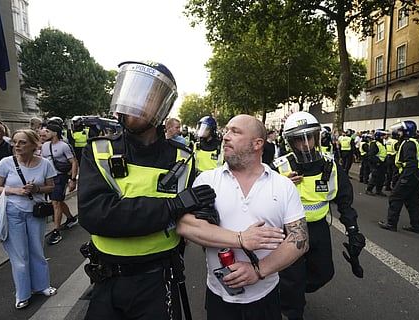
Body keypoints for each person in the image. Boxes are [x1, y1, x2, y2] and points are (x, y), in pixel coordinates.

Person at [77, 60, 217, 320]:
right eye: (131, 92)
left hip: (159, 278)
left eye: (146, 97)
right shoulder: (98, 151)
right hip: (107, 281)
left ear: (161, 108)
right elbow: (95, 214)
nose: (134, 103)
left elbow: (195, 213)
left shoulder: (183, 158)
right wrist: (172, 207)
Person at [176, 114, 308, 320]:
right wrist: (240, 238)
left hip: (266, 297)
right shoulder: (206, 180)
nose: (226, 136)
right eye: (226, 130)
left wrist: (258, 270)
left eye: (235, 132)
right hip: (219, 297)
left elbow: (299, 239)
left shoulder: (283, 186)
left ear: (258, 144)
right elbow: (185, 226)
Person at [272, 112, 365, 320]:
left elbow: (344, 199)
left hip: (319, 228)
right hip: (289, 230)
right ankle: (292, 308)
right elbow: (262, 197)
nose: (305, 144)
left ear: (316, 137)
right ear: (290, 142)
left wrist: (353, 231)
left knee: (324, 273)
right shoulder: (278, 168)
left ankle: (285, 291)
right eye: (299, 139)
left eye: (309, 137)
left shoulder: (330, 165)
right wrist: (281, 184)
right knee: (293, 280)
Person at [0, 129, 57, 309]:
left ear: (34, 144)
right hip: (12, 212)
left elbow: (51, 187)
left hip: (35, 212)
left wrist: (36, 189)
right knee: (19, 255)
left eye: (22, 142)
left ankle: (42, 286)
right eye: (15, 142)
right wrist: (16, 191)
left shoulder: (45, 164)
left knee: (37, 250)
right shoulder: (6, 163)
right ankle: (22, 293)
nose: (17, 146)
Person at [379, 120, 419, 234]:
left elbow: (411, 163)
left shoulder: (408, 143)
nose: (398, 133)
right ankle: (416, 226)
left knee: (395, 197)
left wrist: (404, 178)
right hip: (415, 175)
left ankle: (391, 223)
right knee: (412, 201)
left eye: (400, 131)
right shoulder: (412, 142)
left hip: (409, 174)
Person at [41, 122, 79, 244]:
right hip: (48, 178)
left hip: (60, 177)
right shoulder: (44, 146)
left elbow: (74, 162)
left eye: (47, 131)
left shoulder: (64, 146)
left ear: (55, 133)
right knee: (58, 201)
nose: (44, 133)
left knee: (56, 202)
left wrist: (72, 180)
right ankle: (71, 218)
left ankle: (56, 231)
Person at [365, 129, 388, 196]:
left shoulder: (381, 143)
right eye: (382, 136)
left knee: (382, 178)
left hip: (382, 164)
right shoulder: (375, 144)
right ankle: (369, 189)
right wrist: (377, 162)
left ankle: (379, 190)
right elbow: (371, 155)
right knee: (375, 177)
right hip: (376, 164)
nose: (384, 137)